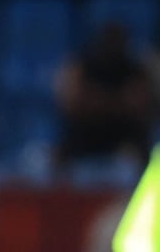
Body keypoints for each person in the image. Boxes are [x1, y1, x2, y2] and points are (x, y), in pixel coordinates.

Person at [55, 21, 153, 166]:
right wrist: (118, 101)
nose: (112, 46)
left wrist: (96, 100)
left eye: (117, 41)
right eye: (109, 41)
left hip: (124, 130)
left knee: (146, 148)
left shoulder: (135, 69)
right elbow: (72, 102)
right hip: (87, 129)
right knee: (62, 150)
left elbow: (138, 104)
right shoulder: (84, 65)